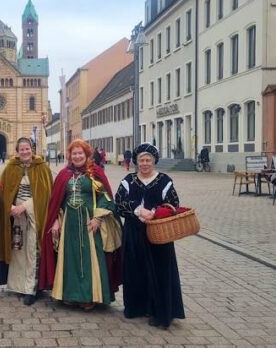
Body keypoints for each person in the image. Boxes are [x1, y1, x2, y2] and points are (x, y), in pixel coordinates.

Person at [38, 139, 122, 310]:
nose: (77, 156)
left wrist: (98, 218)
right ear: (70, 156)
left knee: (89, 259)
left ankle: (90, 296)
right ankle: (70, 295)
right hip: (69, 223)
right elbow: (57, 201)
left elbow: (106, 197)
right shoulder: (64, 175)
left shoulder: (95, 173)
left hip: (89, 222)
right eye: (74, 153)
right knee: (69, 258)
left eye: (80, 153)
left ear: (86, 155)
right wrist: (55, 220)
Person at [114, 143, 185, 328]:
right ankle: (136, 307)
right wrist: (138, 210)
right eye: (141, 160)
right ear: (136, 162)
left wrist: (154, 212)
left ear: (154, 161)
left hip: (158, 233)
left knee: (159, 271)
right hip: (133, 233)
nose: (145, 164)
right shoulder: (128, 180)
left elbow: (173, 204)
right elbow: (119, 203)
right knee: (134, 269)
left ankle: (159, 310)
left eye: (148, 160)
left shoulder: (164, 180)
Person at [0, 137, 53, 305]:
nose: (24, 152)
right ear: (17, 151)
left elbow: (45, 194)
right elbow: (0, 189)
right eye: (21, 149)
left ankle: (31, 288)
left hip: (34, 216)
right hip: (15, 217)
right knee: (17, 251)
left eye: (27, 149)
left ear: (32, 149)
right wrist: (6, 205)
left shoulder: (42, 168)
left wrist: (24, 207)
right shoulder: (11, 167)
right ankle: (19, 286)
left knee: (32, 250)